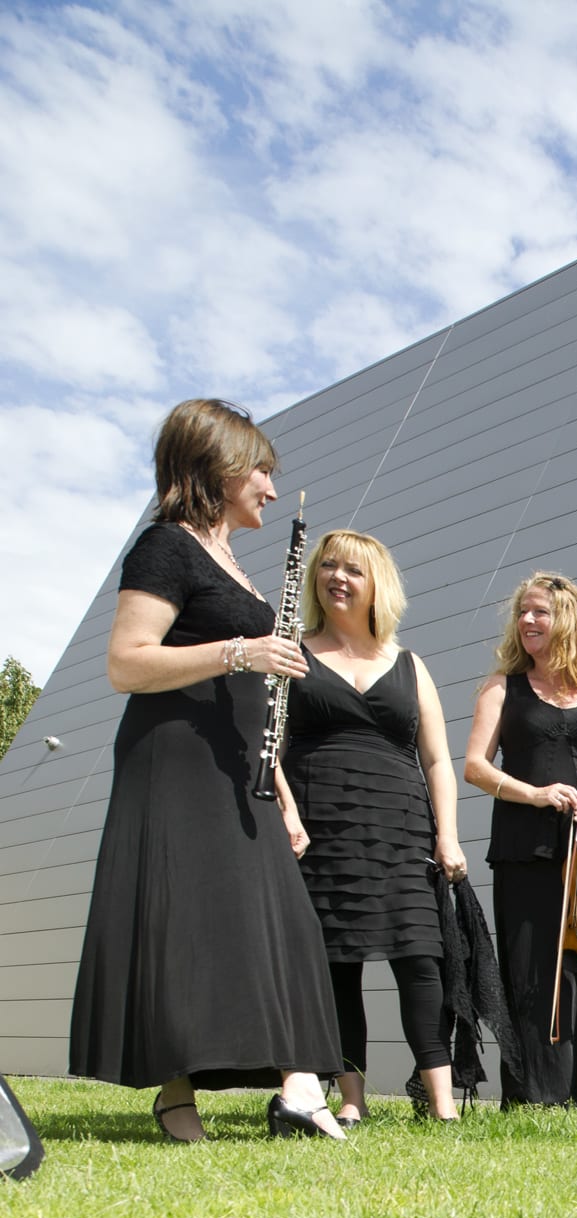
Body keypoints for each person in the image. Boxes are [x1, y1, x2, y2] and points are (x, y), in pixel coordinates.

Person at [69, 398, 345, 1141]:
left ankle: (296, 1085)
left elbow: (251, 705)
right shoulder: (165, 546)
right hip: (176, 765)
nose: (272, 489)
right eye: (261, 470)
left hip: (241, 775)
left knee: (280, 922)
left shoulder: (234, 565)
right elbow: (126, 662)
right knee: (187, 923)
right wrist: (241, 650)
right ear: (219, 466)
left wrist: (284, 793)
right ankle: (177, 1090)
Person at [278, 530, 468, 1124]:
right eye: (327, 566)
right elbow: (269, 748)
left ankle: (442, 1105)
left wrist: (448, 834)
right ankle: (351, 1099)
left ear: (375, 585)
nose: (337, 577)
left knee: (420, 959)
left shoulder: (411, 665)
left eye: (352, 570)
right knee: (338, 964)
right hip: (322, 827)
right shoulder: (292, 651)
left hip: (402, 827)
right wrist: (286, 811)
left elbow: (438, 759)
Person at [464, 572, 577, 1109]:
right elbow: (476, 767)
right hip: (527, 847)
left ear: (568, 619)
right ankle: (537, 1095)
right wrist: (536, 794)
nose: (526, 621)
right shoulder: (503, 688)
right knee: (533, 970)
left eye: (539, 612)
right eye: (522, 612)